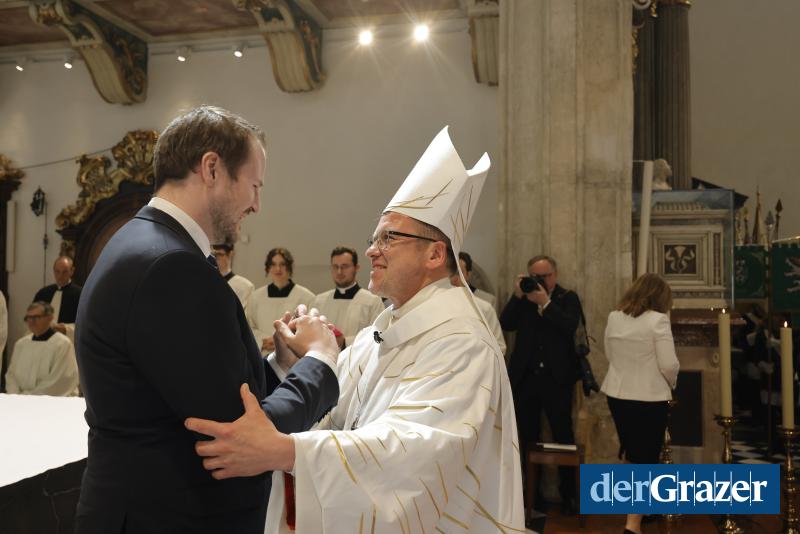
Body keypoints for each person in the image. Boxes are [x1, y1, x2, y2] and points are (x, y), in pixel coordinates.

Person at [186, 127, 524, 533]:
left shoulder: (463, 344)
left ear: (435, 254)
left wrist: (286, 450)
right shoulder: (378, 335)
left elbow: (413, 456)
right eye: (374, 238)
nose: (371, 250)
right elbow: (330, 415)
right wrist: (297, 362)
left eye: (389, 237)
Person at [74, 106, 340, 534]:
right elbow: (238, 437)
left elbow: (205, 389)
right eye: (254, 186)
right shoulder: (169, 265)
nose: (256, 205)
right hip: (168, 517)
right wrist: (320, 361)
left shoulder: (148, 244)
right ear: (212, 168)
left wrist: (281, 365)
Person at [500, 254, 582, 514]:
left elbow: (569, 326)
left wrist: (545, 303)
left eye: (545, 275)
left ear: (555, 275)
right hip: (526, 380)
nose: (541, 280)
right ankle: (530, 496)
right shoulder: (524, 299)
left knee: (563, 435)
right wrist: (518, 296)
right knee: (527, 437)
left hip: (557, 380)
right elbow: (505, 324)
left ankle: (569, 496)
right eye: (536, 276)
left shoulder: (567, 298)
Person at [601, 273, 679, 534]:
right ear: (661, 297)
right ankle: (632, 525)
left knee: (634, 456)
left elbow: (610, 353)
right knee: (645, 459)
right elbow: (668, 364)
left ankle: (639, 510)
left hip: (618, 394)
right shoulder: (658, 320)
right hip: (648, 397)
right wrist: (672, 384)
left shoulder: (614, 317)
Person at [309, 245, 384, 348]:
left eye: (345, 266)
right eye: (335, 267)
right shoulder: (319, 301)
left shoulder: (372, 301)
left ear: (356, 268)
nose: (339, 272)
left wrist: (345, 341)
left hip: (357, 356)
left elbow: (377, 335)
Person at [247, 247, 315, 354]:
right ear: (268, 267)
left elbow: (308, 329)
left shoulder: (306, 297)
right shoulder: (256, 297)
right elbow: (249, 327)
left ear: (289, 267)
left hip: (292, 354)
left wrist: (283, 340)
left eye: (282, 264)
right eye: (273, 264)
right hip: (263, 352)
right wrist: (264, 340)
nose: (278, 269)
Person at [5, 301, 78, 396]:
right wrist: (15, 395)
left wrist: (28, 397)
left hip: (52, 400)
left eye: (36, 317)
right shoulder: (21, 344)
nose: (31, 321)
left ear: (50, 318)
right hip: (19, 399)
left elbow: (60, 381)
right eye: (28, 318)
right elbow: (11, 375)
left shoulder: (62, 344)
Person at [450, 262, 506, 355]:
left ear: (468, 275)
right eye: (451, 274)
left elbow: (499, 347)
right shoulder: (434, 307)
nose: (454, 279)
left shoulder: (484, 308)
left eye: (458, 273)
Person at [33, 256, 82, 340]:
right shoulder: (43, 293)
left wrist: (66, 329)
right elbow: (32, 318)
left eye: (64, 272)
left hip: (67, 341)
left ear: (72, 271)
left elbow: (84, 324)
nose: (60, 276)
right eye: (57, 271)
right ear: (53, 271)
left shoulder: (80, 295)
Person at [211, 242, 255, 309]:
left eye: (219, 254)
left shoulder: (246, 286)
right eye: (213, 254)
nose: (215, 258)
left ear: (230, 254)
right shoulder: (206, 281)